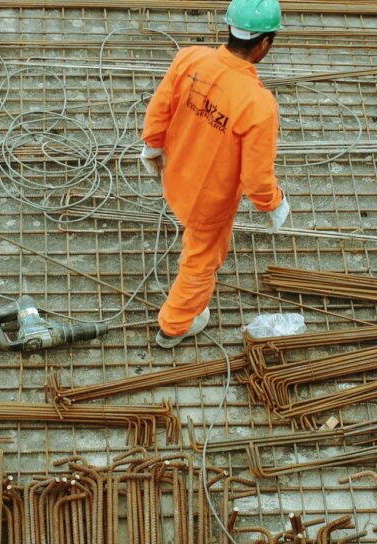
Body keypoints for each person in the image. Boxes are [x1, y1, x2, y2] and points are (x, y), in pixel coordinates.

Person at [139, 0, 290, 349]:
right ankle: (173, 326)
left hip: (176, 176)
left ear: (229, 29)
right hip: (209, 202)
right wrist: (274, 204)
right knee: (201, 261)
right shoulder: (258, 104)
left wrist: (152, 145)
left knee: (193, 239)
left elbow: (160, 107)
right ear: (264, 43)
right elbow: (256, 179)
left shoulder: (190, 58)